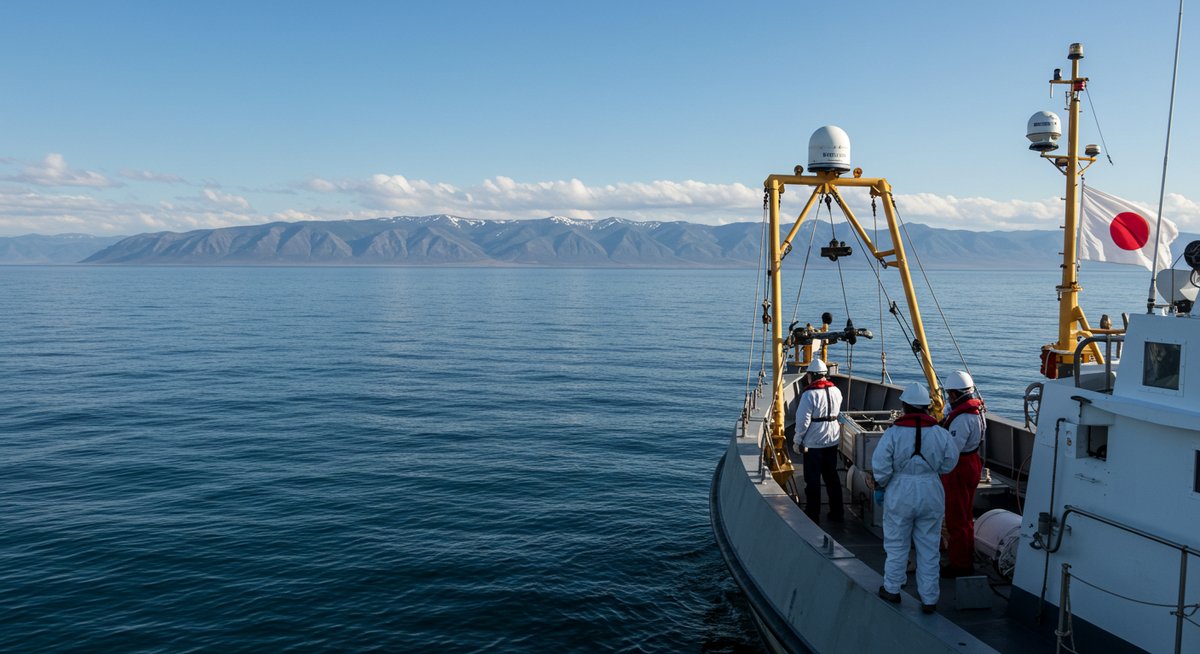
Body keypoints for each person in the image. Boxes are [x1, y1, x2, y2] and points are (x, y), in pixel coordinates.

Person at [871, 382, 958, 614]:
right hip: (931, 489)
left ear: (905, 406)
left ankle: (892, 588)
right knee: (929, 547)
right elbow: (950, 463)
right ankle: (929, 599)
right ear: (926, 407)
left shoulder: (892, 433)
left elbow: (880, 467)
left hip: (901, 490)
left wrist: (884, 484)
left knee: (897, 544)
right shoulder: (941, 434)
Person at [940, 370, 985, 578]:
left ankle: (960, 564)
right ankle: (965, 556)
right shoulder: (977, 411)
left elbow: (951, 450)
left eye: (949, 394)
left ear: (955, 395)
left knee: (956, 518)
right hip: (972, 462)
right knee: (966, 516)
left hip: (960, 467)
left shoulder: (961, 419)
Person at [791, 357, 844, 524]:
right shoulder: (836, 391)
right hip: (832, 439)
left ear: (812, 375)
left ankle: (813, 514)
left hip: (814, 442)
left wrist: (797, 440)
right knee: (832, 477)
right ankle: (837, 512)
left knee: (812, 479)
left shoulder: (809, 395)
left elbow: (803, 421)